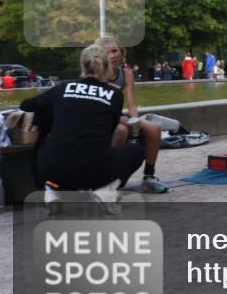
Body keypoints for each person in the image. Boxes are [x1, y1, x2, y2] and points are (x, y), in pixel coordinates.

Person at [21, 45, 145, 208]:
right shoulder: (115, 95)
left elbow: (26, 105)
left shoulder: (62, 88)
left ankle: (51, 194)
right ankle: (104, 192)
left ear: (82, 65)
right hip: (93, 174)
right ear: (106, 66)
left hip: (52, 171)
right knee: (136, 150)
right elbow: (110, 130)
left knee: (45, 142)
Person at [96, 34, 168, 193]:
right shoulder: (96, 74)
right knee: (121, 130)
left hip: (119, 116)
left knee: (154, 129)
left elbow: (132, 104)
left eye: (115, 51)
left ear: (121, 52)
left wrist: (134, 119)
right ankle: (109, 178)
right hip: (101, 119)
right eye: (107, 52)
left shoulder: (126, 73)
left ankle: (149, 176)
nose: (112, 56)